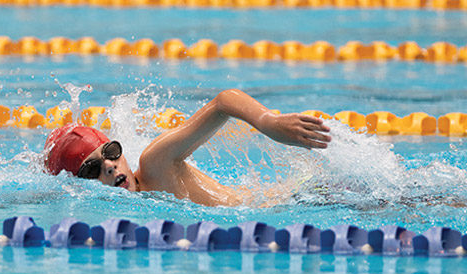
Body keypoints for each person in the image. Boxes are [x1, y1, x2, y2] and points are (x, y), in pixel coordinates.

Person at [44, 88, 331, 207]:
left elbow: (223, 102)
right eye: (93, 168)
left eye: (110, 152)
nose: (109, 166)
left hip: (307, 196)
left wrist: (268, 122)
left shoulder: (156, 163)